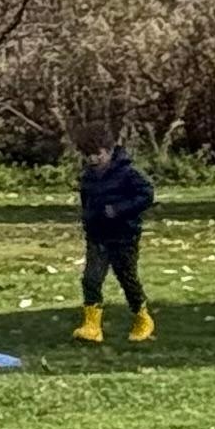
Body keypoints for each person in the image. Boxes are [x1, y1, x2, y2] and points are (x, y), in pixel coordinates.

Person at [72, 139, 156, 344]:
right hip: (98, 235)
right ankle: (92, 326)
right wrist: (88, 220)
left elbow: (146, 195)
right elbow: (86, 202)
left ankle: (142, 318)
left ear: (109, 152)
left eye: (98, 154)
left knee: (126, 278)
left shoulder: (128, 173)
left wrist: (119, 209)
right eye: (88, 155)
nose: (93, 159)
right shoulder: (88, 177)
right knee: (91, 278)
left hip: (123, 235)